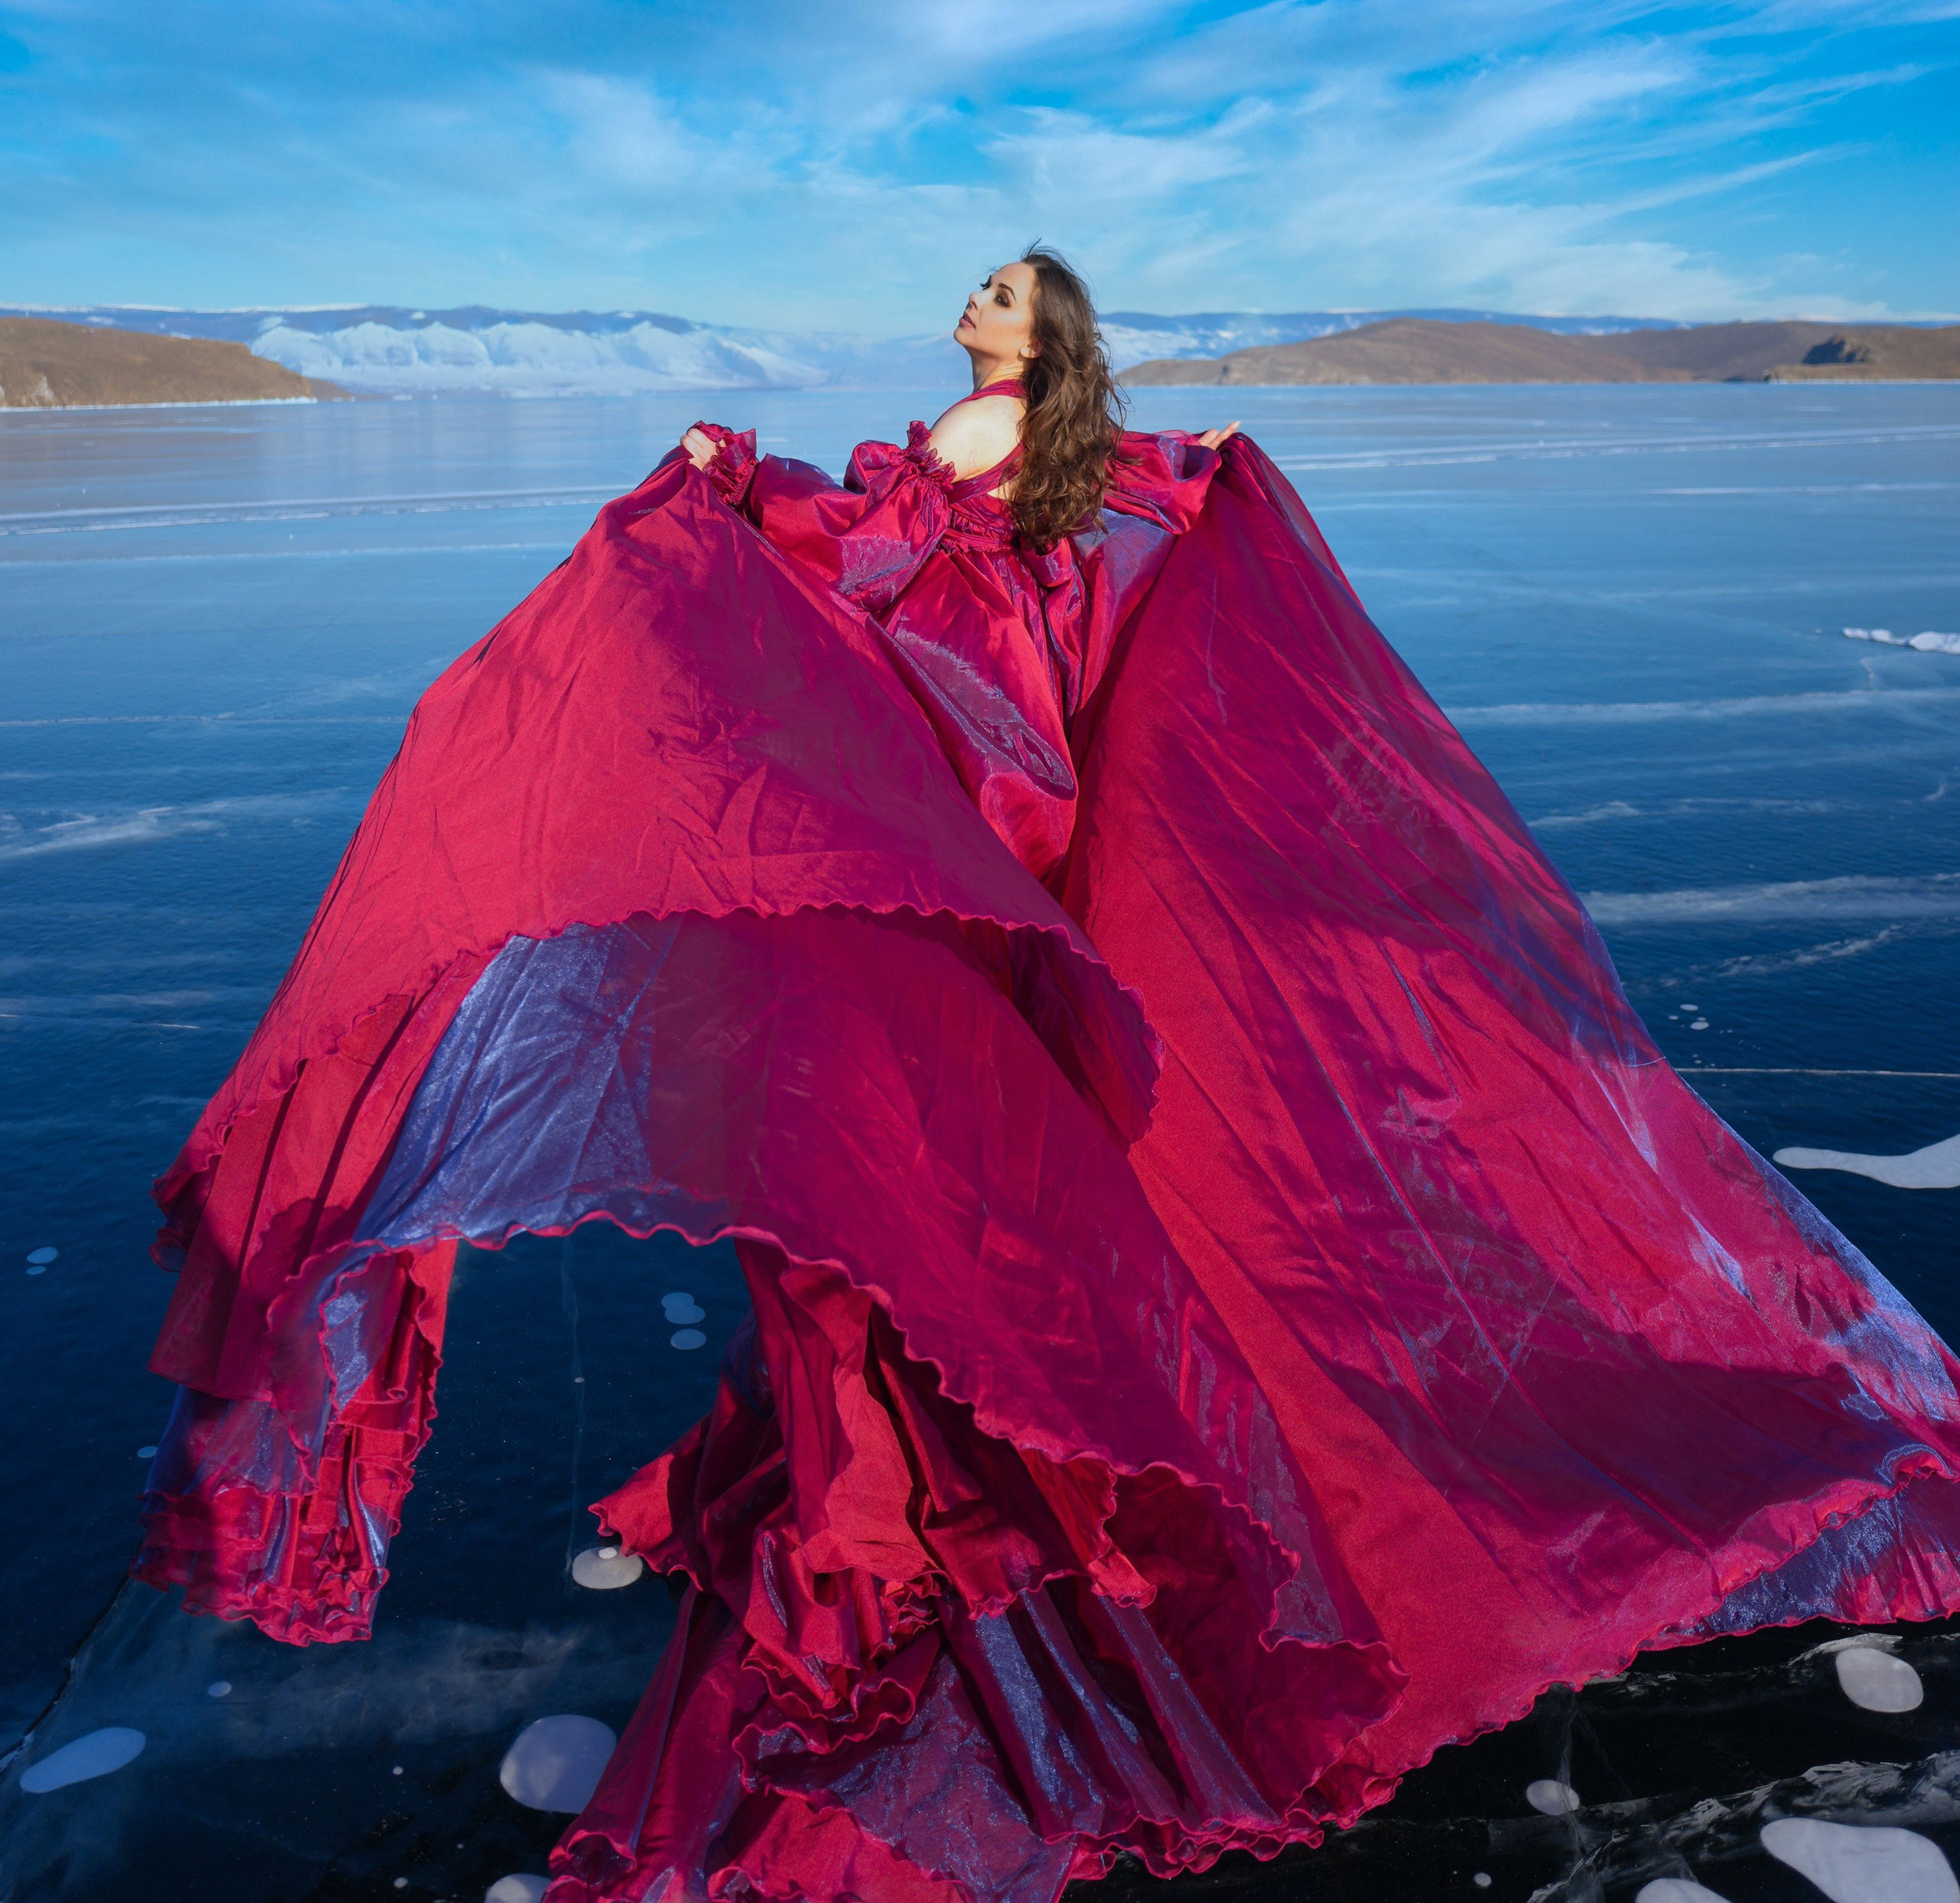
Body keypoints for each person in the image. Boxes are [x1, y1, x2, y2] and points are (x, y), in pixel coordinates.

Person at [137, 250, 1960, 1903]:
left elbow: (866, 562)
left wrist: (721, 487)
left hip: (956, 860)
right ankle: (1046, 1450)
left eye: (1001, 290)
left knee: (919, 1195)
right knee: (1022, 1176)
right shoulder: (1085, 464)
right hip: (1025, 853)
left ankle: (979, 1507)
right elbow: (1069, 552)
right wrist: (1183, 468)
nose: (972, 299)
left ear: (1039, 334)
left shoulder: (971, 440)